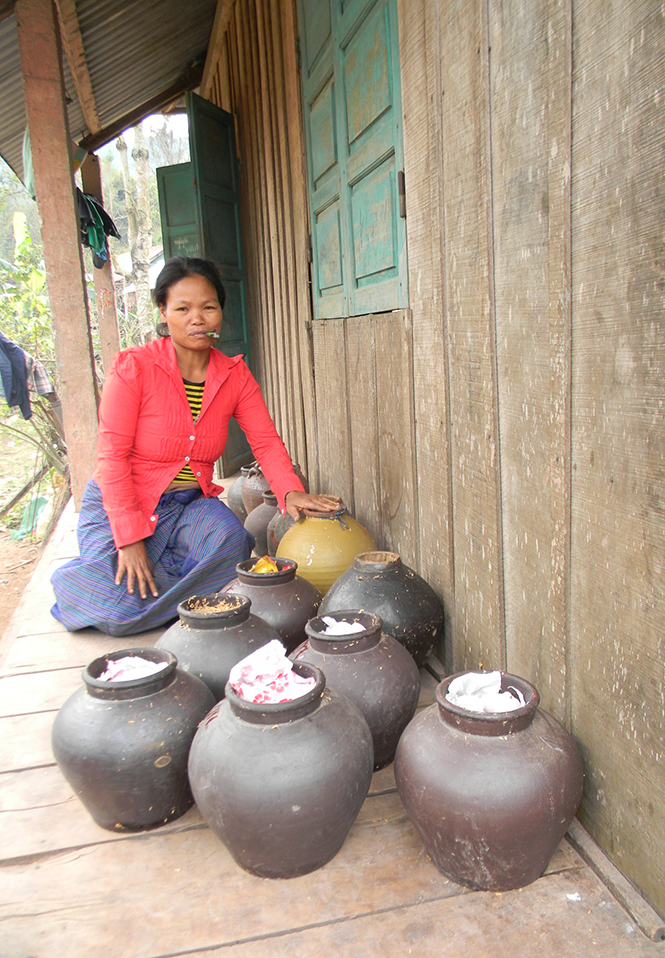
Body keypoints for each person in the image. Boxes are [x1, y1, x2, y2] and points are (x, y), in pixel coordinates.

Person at [51, 256, 337, 636]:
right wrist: (129, 536)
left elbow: (265, 441)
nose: (197, 319)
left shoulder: (234, 375)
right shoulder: (134, 368)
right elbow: (112, 457)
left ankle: (158, 585)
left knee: (233, 543)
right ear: (163, 312)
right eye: (182, 308)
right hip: (124, 502)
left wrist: (291, 491)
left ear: (220, 312)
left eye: (208, 307)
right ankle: (84, 582)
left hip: (187, 506)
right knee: (118, 613)